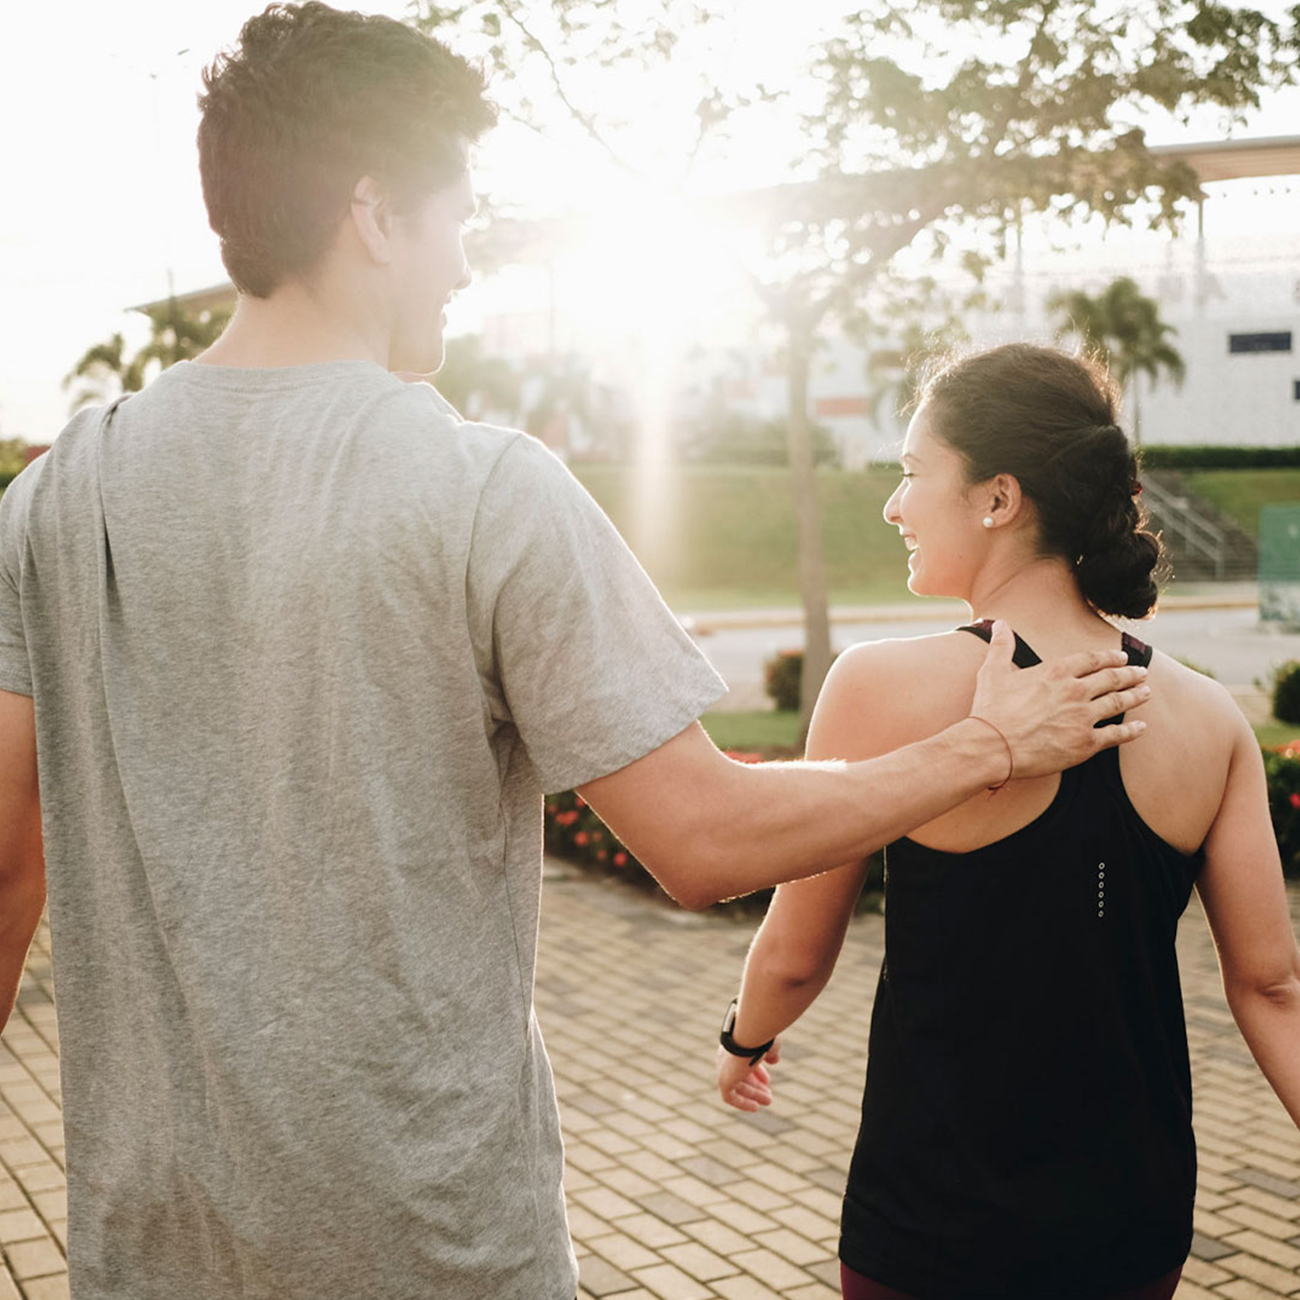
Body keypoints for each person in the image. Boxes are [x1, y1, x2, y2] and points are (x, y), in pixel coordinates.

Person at [0, 8, 1151, 1299]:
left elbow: (3, 874)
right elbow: (701, 837)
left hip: (144, 1255)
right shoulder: (485, 489)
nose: (464, 265)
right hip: (431, 1256)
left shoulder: (55, 497)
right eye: (457, 221)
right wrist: (991, 742)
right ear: (374, 213)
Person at [716, 342, 1300, 1300]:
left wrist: (745, 1041)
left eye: (912, 473)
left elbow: (794, 954)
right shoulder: (1210, 716)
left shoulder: (877, 688)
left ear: (998, 498)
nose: (893, 505)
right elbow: (1273, 991)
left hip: (931, 1223)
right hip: (1133, 1225)